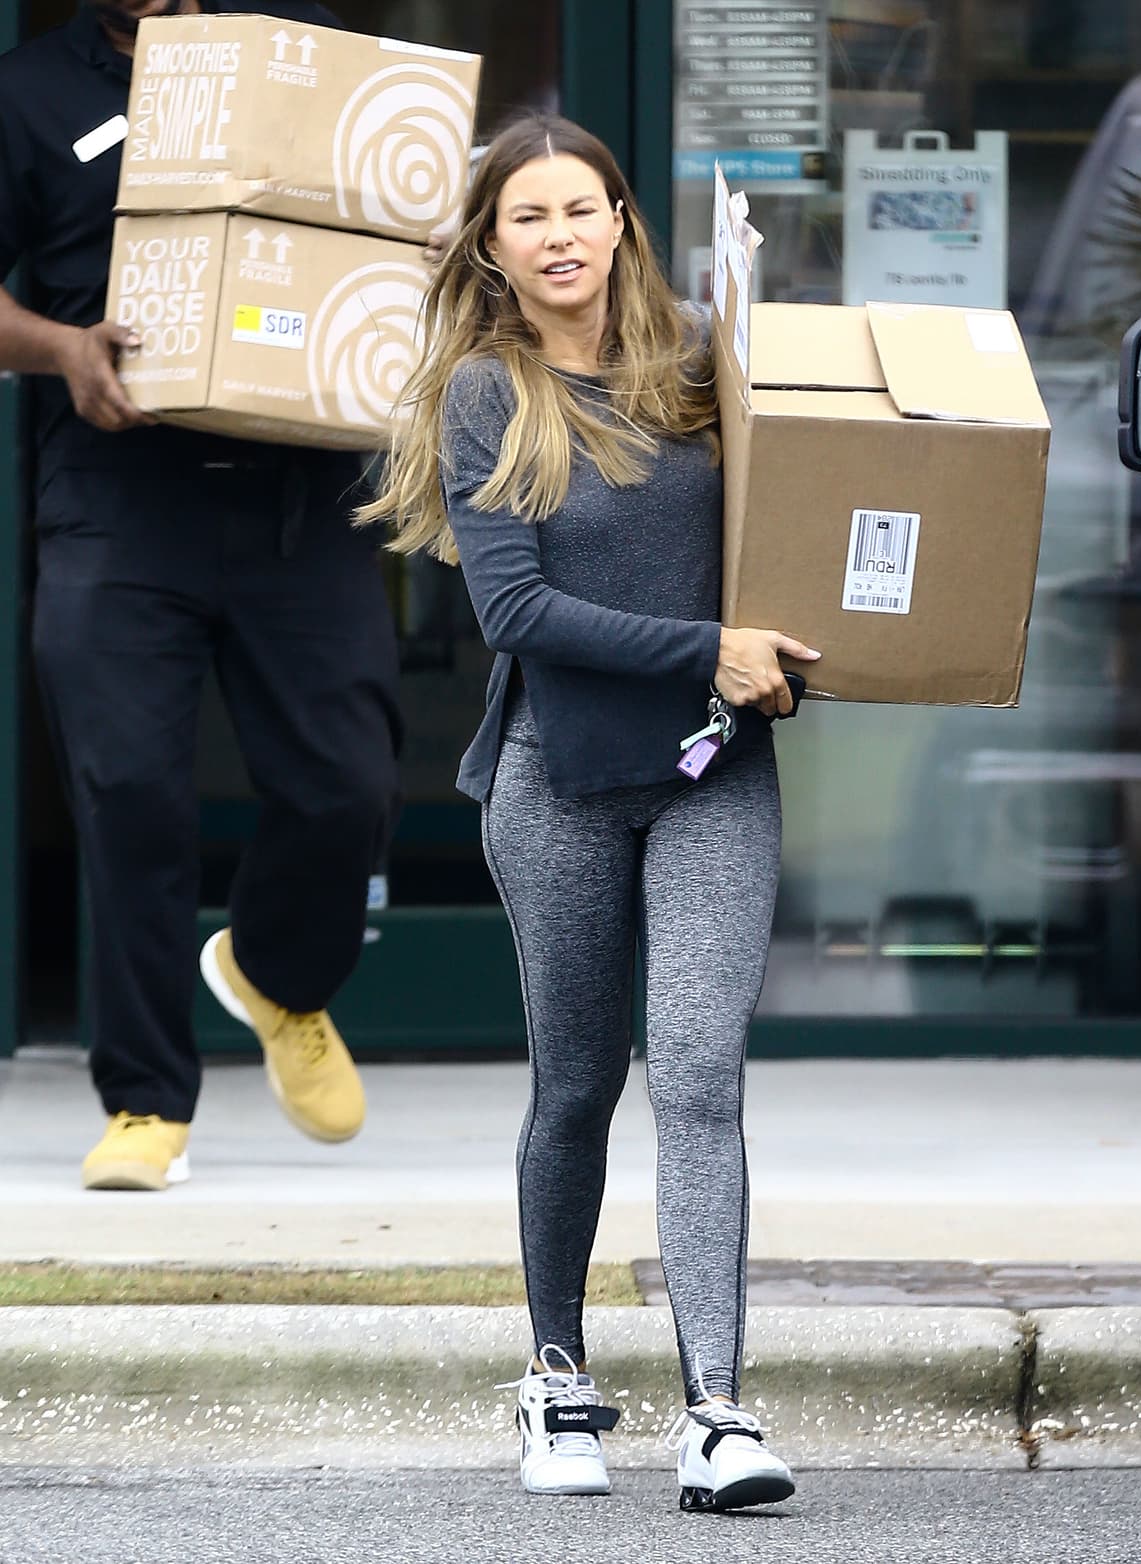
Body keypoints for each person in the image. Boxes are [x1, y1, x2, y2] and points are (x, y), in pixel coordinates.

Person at [362, 113, 820, 1511]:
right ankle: (559, 1381)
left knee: (695, 1069)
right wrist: (710, 650)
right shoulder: (488, 394)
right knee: (578, 1083)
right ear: (493, 253)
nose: (560, 235)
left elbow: (790, 540)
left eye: (584, 207)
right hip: (552, 781)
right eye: (528, 218)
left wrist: (791, 649)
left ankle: (722, 1414)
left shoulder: (707, 366)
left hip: (709, 774)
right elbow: (513, 611)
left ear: (623, 219)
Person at [0, 0, 402, 1191]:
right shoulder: (29, 92)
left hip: (300, 488)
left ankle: (279, 976)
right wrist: (64, 350)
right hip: (117, 497)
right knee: (127, 794)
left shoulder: (305, 55)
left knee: (348, 783)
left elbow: (395, 223)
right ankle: (143, 1101)